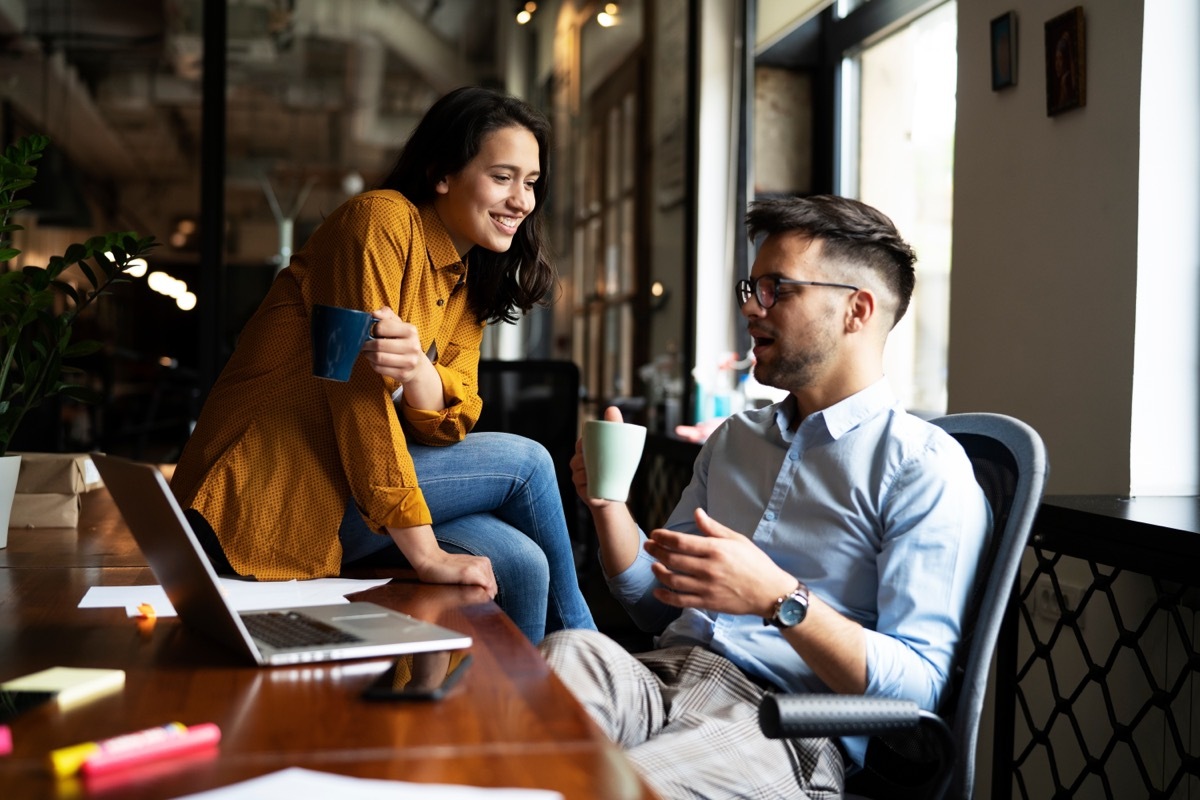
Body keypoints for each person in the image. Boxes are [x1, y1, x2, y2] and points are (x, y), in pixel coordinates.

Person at [538, 195, 991, 798]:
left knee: (608, 786)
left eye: (778, 288)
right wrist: (608, 507)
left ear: (856, 310)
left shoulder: (922, 467)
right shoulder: (735, 440)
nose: (752, 308)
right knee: (558, 663)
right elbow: (657, 606)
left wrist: (778, 598)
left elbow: (916, 692)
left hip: (782, 725)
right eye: (752, 286)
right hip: (661, 678)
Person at [170, 86, 596, 644]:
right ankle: (595, 674)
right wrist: (426, 555)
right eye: (502, 176)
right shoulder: (379, 222)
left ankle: (512, 720)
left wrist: (421, 373)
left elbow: (452, 421)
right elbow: (354, 401)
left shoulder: (467, 284)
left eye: (531, 182)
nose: (522, 200)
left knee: (521, 561)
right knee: (529, 462)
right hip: (265, 493)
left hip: (351, 489)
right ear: (442, 173)